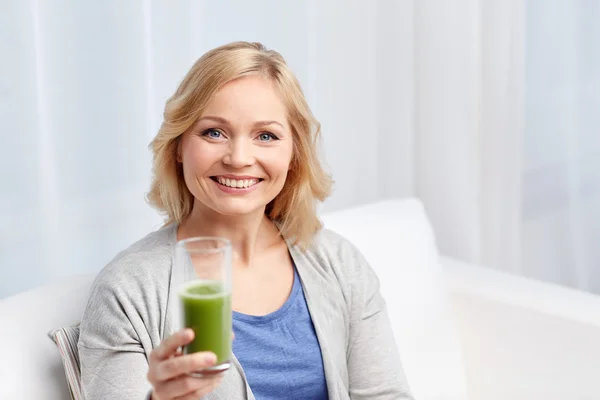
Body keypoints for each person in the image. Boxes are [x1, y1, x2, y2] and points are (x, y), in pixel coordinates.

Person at [78, 41, 414, 400]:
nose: (238, 158)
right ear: (178, 146)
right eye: (213, 132)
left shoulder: (340, 264)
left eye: (265, 136)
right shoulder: (127, 291)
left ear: (294, 154)